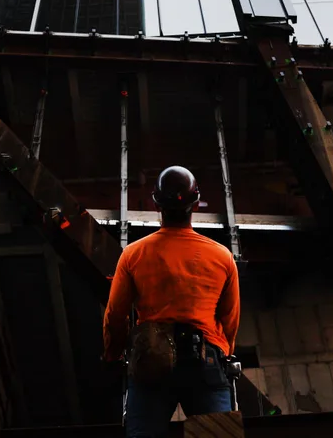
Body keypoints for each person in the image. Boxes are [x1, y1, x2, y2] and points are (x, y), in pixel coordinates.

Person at [102, 165, 241, 438]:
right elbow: (230, 320)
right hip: (205, 361)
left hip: (152, 360)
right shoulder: (222, 256)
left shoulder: (133, 254)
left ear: (157, 204)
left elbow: (116, 316)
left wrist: (112, 354)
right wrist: (221, 351)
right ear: (195, 205)